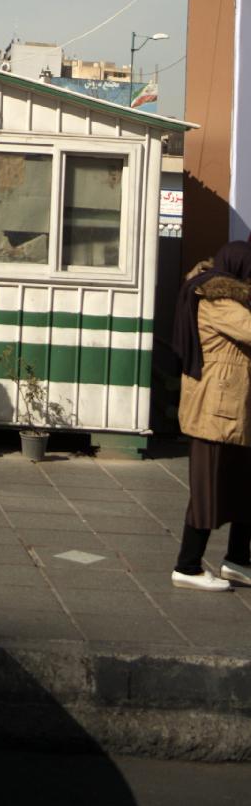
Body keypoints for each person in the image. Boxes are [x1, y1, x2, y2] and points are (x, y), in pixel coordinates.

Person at [170, 240, 251, 591]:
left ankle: (238, 561)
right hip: (214, 412)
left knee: (245, 490)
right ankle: (187, 567)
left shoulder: (230, 297)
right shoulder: (217, 299)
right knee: (206, 492)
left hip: (234, 410)